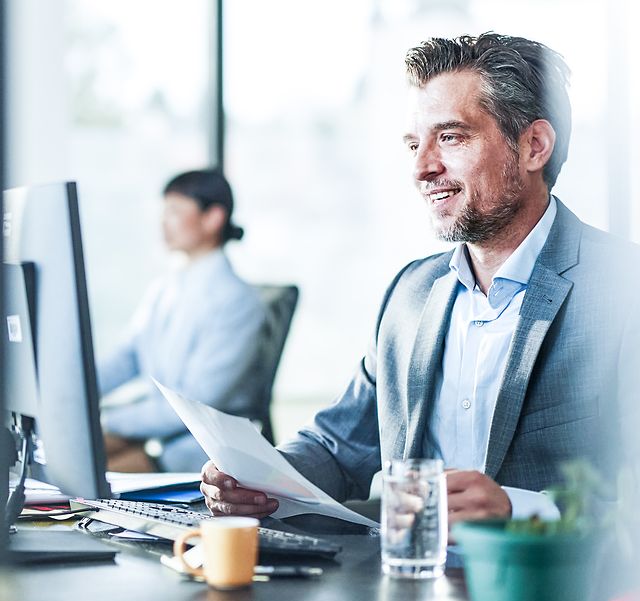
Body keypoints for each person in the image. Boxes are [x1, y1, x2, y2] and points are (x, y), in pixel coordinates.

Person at [200, 34, 640, 525]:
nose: (422, 168)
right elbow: (339, 445)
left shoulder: (624, 291)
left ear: (534, 146)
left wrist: (521, 511)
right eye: (415, 143)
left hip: (549, 592)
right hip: (401, 587)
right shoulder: (411, 293)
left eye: (450, 137)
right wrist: (258, 477)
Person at [99, 168, 266, 473]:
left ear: (213, 217)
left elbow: (195, 406)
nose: (164, 221)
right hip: (160, 428)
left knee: (92, 477)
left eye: (175, 210)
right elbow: (128, 356)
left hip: (200, 444)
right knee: (65, 460)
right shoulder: (164, 288)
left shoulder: (236, 300)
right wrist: (76, 393)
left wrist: (107, 419)